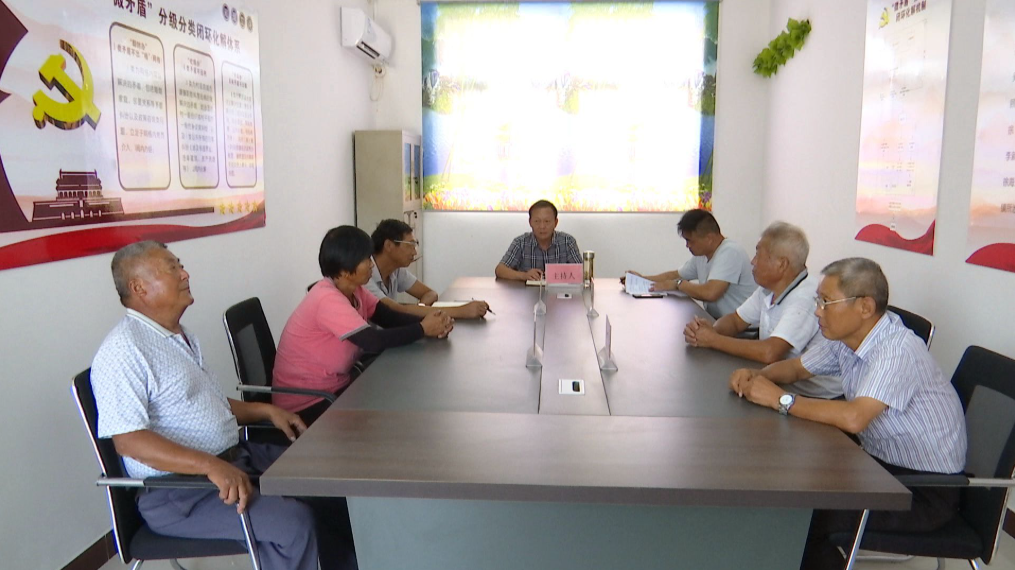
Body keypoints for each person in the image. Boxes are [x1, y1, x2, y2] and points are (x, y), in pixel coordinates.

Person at [90, 240, 357, 570]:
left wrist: (265, 410)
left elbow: (206, 404)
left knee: (323, 479)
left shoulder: (178, 336)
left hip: (233, 460)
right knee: (293, 524)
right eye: (172, 268)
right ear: (138, 287)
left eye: (180, 265)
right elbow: (129, 441)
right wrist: (209, 465)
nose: (185, 274)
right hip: (180, 493)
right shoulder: (124, 350)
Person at [727, 258, 966, 570]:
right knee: (788, 485)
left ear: (865, 307)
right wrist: (757, 375)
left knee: (803, 517)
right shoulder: (848, 338)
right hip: (878, 466)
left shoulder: (897, 350)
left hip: (921, 491)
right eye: (818, 301)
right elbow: (797, 368)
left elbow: (855, 417)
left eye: (826, 302)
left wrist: (779, 399)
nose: (817, 312)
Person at [273, 226, 454, 425]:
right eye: (365, 260)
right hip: (307, 403)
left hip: (338, 388)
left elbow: (389, 318)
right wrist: (423, 329)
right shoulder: (326, 298)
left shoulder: (355, 290)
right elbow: (372, 341)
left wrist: (434, 324)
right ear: (344, 269)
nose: (371, 265)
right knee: (389, 414)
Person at [683, 222, 841, 399]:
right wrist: (707, 331)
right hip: (778, 382)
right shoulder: (769, 288)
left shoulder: (805, 298)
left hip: (814, 397)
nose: (753, 261)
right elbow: (736, 320)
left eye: (758, 255)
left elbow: (770, 352)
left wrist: (713, 339)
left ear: (781, 264)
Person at [627, 209, 756, 319]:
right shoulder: (702, 255)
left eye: (690, 241)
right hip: (719, 323)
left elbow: (711, 293)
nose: (687, 245)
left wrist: (678, 285)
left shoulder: (730, 252)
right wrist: (642, 279)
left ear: (709, 238)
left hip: (743, 332)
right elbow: (675, 275)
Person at [368, 219, 489, 319]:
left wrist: (420, 308)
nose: (414, 252)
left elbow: (430, 293)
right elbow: (395, 310)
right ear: (389, 245)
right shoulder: (366, 276)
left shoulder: (396, 271)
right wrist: (462, 311)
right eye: (410, 245)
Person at [495, 199, 582, 282]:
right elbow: (500, 270)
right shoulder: (520, 242)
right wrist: (524, 275)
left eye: (547, 221)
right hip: (526, 292)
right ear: (530, 222)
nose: (542, 226)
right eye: (537, 221)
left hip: (559, 291)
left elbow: (581, 272)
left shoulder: (567, 242)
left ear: (555, 222)